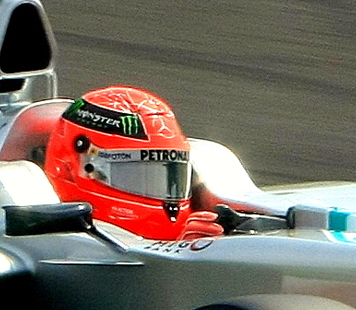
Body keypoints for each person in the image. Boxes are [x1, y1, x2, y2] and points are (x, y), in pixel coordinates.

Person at [44, 85, 222, 240]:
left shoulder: (199, 227)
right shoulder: (39, 240)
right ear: (71, 167)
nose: (161, 192)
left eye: (169, 178)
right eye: (136, 175)